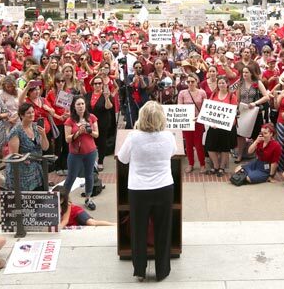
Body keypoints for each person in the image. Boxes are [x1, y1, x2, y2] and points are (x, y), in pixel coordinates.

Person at [117, 101, 176, 282]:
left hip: (139, 189)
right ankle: (162, 270)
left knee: (139, 230)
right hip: (164, 187)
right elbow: (173, 153)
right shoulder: (168, 136)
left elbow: (123, 158)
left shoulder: (133, 137)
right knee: (163, 230)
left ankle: (140, 270)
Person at [62, 96, 99, 210]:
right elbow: (67, 139)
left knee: (89, 175)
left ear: (85, 105)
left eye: (82, 103)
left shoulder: (91, 117)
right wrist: (78, 133)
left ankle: (88, 198)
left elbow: (97, 134)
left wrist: (89, 131)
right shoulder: (69, 121)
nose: (81, 106)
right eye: (78, 104)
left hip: (90, 152)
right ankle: (63, 200)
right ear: (74, 106)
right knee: (71, 177)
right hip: (75, 154)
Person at [5, 103, 49, 191]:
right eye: (28, 113)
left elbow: (45, 148)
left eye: (33, 112)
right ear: (21, 115)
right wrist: (25, 158)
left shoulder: (36, 127)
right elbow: (13, 155)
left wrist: (43, 135)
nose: (32, 114)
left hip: (36, 171)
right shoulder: (16, 131)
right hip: (22, 173)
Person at [204, 76, 237, 176]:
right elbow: (209, 109)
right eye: (220, 83)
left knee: (224, 148)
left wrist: (227, 123)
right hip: (214, 126)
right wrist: (211, 122)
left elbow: (234, 111)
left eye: (223, 83)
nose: (221, 85)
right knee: (210, 146)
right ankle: (216, 166)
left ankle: (222, 168)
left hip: (226, 127)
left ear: (227, 84)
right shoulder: (214, 94)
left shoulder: (232, 96)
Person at [177, 73, 208, 173]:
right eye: (188, 81)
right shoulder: (182, 93)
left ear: (196, 81)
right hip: (187, 121)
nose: (190, 83)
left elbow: (205, 107)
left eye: (192, 81)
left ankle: (202, 164)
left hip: (198, 121)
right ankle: (191, 163)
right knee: (189, 144)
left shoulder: (202, 93)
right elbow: (179, 107)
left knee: (198, 144)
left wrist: (199, 117)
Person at [86, 76, 114, 172]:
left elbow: (109, 107)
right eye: (95, 83)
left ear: (102, 84)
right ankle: (91, 161)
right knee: (90, 142)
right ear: (92, 85)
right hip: (90, 122)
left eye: (99, 83)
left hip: (102, 122)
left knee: (101, 142)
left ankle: (100, 161)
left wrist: (106, 98)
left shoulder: (106, 94)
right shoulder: (88, 95)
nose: (97, 85)